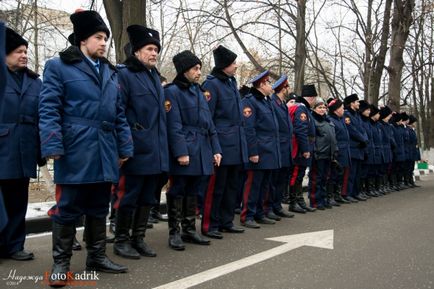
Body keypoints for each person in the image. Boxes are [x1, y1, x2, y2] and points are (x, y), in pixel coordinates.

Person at [39, 10, 133, 286]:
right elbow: (49, 108)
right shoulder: (58, 66)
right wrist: (52, 144)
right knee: (67, 207)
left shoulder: (109, 72)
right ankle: (61, 263)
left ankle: (97, 256)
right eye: (98, 37)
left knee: (98, 206)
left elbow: (118, 113)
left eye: (105, 38)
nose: (104, 43)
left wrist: (125, 146)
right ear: (82, 40)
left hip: (105, 148)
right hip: (75, 146)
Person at [113, 24, 169, 259]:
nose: (154, 53)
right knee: (128, 196)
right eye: (149, 48)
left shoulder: (155, 76)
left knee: (148, 197)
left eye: (156, 49)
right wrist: (125, 146)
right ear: (136, 51)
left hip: (155, 150)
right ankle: (121, 240)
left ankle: (139, 238)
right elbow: (119, 112)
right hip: (135, 149)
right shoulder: (124, 74)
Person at [165, 50, 222, 250]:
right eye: (195, 68)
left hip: (202, 148)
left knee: (194, 190)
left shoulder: (198, 91)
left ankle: (189, 230)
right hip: (186, 148)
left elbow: (209, 123)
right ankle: (174, 232)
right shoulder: (172, 91)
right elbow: (174, 125)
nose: (199, 72)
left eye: (199, 68)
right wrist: (181, 152)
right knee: (178, 189)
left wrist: (216, 149)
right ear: (184, 70)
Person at [0, 26, 44, 261]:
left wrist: (42, 149)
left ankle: (15, 245)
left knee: (18, 201)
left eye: (26, 51)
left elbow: (42, 116)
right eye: (18, 51)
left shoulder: (35, 82)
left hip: (25, 148)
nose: (24, 55)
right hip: (2, 148)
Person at [200, 45, 247, 239]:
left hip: (236, 143)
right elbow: (207, 117)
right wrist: (213, 146)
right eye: (233, 63)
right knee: (215, 187)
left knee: (231, 186)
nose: (236, 66)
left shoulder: (230, 82)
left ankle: (227, 221)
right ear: (224, 65)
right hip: (221, 143)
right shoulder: (212, 85)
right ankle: (210, 224)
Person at [240, 70, 281, 228]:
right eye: (269, 83)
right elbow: (249, 129)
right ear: (262, 84)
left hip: (270, 150)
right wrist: (253, 152)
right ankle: (247, 215)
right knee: (253, 184)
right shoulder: (249, 102)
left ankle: (259, 213)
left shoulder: (266, 101)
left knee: (264, 184)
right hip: (259, 150)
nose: (271, 86)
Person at [265, 75, 294, 219]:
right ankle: (269, 207)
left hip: (285, 147)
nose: (289, 89)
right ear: (283, 88)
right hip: (278, 146)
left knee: (282, 179)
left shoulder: (282, 104)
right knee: (273, 180)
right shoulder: (273, 103)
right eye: (288, 87)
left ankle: (277, 206)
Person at [288, 84, 317, 213]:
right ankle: (293, 203)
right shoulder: (301, 109)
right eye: (314, 98)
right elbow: (300, 130)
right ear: (310, 98)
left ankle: (299, 201)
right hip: (300, 149)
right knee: (296, 175)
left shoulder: (305, 109)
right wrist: (305, 149)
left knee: (299, 175)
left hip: (305, 146)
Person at [308, 99, 337, 209]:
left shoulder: (328, 121)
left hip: (328, 154)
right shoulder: (313, 120)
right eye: (319, 107)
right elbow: (311, 138)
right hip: (318, 154)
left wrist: (335, 150)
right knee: (316, 179)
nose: (322, 110)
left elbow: (333, 138)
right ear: (314, 109)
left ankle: (323, 199)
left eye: (324, 108)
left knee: (325, 178)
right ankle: (315, 201)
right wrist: (314, 151)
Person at [343, 94, 368, 202]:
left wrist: (365, 139)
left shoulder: (357, 115)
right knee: (351, 173)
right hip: (353, 147)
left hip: (360, 148)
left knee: (358, 173)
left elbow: (362, 129)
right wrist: (362, 139)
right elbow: (352, 130)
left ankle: (356, 192)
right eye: (357, 101)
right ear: (352, 103)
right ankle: (348, 193)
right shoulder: (347, 115)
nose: (358, 103)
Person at [327, 98, 351, 204]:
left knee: (340, 174)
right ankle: (330, 195)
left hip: (345, 150)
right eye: (342, 108)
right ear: (336, 109)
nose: (343, 109)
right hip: (337, 151)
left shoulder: (341, 119)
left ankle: (337, 194)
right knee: (334, 174)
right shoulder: (331, 120)